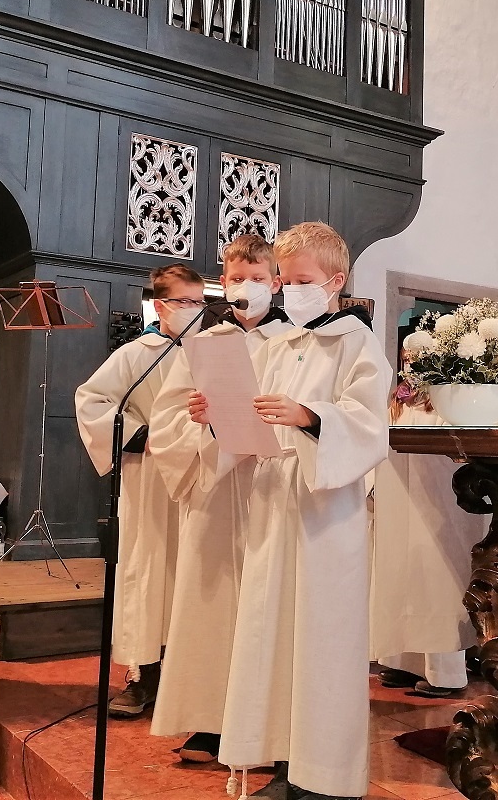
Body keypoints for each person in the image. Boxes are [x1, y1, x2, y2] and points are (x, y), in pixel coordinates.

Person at [216, 222, 391, 800]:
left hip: (325, 510)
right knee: (272, 633)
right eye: (285, 280)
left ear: (336, 282)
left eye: (301, 280)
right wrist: (219, 415)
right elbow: (256, 418)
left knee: (323, 640)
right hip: (275, 500)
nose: (289, 291)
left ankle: (325, 778)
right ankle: (285, 763)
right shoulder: (280, 344)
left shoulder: (356, 342)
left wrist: (311, 417)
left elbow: (370, 425)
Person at [148, 235, 291, 763]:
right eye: (236, 278)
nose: (246, 286)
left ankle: (268, 727)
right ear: (222, 284)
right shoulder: (204, 342)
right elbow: (166, 418)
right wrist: (198, 418)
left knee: (268, 605)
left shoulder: (294, 340)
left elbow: (310, 407)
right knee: (211, 604)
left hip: (273, 483)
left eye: (257, 277)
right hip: (216, 486)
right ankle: (209, 720)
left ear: (275, 282)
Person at [74, 263, 205, 716]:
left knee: (194, 573)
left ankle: (191, 677)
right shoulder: (137, 354)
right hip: (149, 477)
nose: (195, 311)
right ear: (161, 306)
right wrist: (140, 435)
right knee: (149, 570)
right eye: (185, 302)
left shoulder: (212, 351)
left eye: (200, 303)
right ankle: (144, 674)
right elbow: (92, 400)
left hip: (200, 476)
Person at [370, 332, 488, 699]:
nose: (411, 363)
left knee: (435, 582)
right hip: (399, 497)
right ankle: (403, 661)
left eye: (418, 356)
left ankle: (445, 672)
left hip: (437, 498)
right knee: (402, 576)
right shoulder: (397, 397)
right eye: (406, 356)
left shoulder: (446, 397)